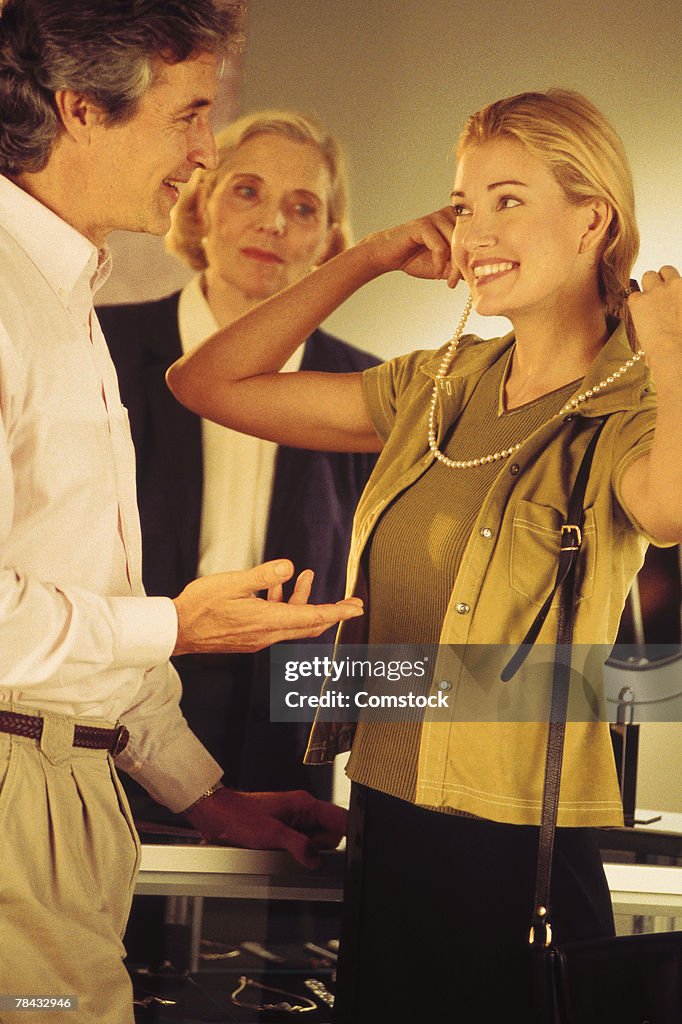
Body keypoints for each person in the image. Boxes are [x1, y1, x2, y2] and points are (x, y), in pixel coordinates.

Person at [168, 87, 682, 1022]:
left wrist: (676, 355)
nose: (472, 228)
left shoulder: (634, 403)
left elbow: (672, 511)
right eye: (464, 201)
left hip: (514, 848)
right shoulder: (435, 387)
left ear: (593, 218)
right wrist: (362, 257)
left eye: (508, 198)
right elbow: (205, 381)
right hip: (387, 824)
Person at [0, 2, 364, 1021]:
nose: (200, 155)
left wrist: (205, 792)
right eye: (190, 117)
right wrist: (179, 623)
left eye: (304, 206)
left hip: (100, 770)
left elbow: (81, 584)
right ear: (81, 109)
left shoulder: (58, 292)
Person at [98, 111, 379, 809]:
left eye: (302, 207)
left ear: (330, 243)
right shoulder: (101, 345)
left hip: (288, 730)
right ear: (200, 208)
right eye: (247, 192)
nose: (274, 224)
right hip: (112, 708)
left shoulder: (370, 394)